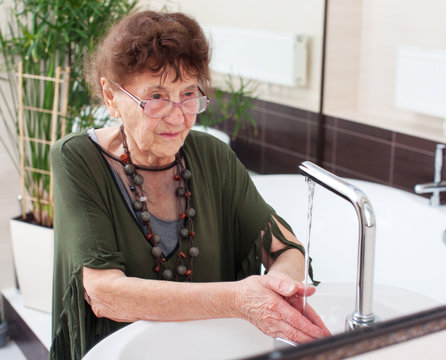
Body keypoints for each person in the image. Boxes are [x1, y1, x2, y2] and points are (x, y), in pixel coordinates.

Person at [49, 10, 330, 359]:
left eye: (188, 94)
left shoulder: (213, 156)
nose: (177, 115)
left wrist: (279, 285)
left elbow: (286, 247)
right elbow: (104, 293)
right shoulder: (78, 158)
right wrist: (239, 300)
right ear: (111, 96)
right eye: (155, 97)